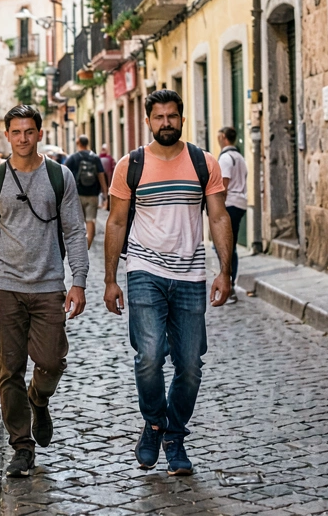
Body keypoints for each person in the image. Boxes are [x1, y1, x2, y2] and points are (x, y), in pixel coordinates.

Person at [102, 89, 234, 476]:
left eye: (172, 116)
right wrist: (110, 279)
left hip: (191, 274)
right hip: (144, 270)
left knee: (190, 365)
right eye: (158, 117)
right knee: (148, 357)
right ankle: (155, 423)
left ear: (181, 118)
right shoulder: (131, 165)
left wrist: (225, 271)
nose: (166, 123)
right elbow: (116, 222)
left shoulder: (202, 162)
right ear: (147, 121)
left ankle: (174, 433)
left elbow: (219, 217)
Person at [0, 105, 88, 478]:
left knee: (52, 361)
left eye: (29, 131)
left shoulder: (59, 176)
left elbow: (74, 231)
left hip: (49, 285)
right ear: (8, 135)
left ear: (39, 133)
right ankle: (21, 445)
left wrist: (79, 280)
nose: (23, 138)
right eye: (16, 132)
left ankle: (39, 397)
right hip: (5, 287)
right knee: (9, 371)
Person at [216, 127, 248, 304]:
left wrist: (217, 211)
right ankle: (229, 282)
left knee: (224, 247)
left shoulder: (226, 158)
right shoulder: (240, 158)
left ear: (223, 137)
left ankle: (228, 285)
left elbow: (223, 187)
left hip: (230, 205)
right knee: (230, 246)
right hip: (241, 203)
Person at [65, 135, 108, 249]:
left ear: (78, 143)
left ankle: (78, 247)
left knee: (78, 222)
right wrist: (104, 193)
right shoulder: (95, 158)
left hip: (77, 194)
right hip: (92, 194)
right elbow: (101, 175)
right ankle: (87, 245)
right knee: (91, 220)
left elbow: (64, 174)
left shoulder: (73, 158)